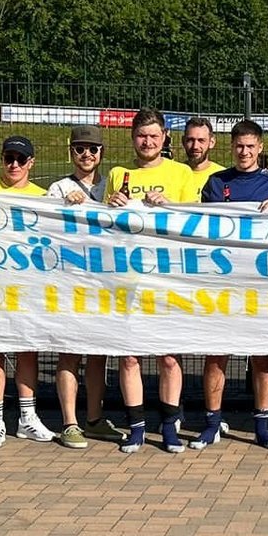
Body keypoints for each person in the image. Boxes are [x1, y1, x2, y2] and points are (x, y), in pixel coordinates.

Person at [104, 108, 199, 452]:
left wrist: (170, 206)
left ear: (164, 139)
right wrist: (111, 207)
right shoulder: (119, 174)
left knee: (168, 356)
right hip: (127, 277)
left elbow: (193, 222)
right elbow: (102, 228)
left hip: (167, 275)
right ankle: (136, 427)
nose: (147, 142)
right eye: (142, 136)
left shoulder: (182, 173)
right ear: (133, 139)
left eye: (154, 136)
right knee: (129, 357)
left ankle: (170, 426)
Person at [199, 120, 268, 450]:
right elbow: (201, 229)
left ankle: (262, 426)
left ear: (260, 148)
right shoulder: (216, 183)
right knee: (216, 356)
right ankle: (211, 423)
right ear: (231, 147)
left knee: (262, 356)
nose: (244, 152)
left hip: (260, 285)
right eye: (239, 146)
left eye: (251, 146)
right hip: (223, 284)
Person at [0, 136, 56, 448]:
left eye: (20, 159)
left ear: (31, 163)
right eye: (8, 158)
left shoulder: (43, 197)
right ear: (1, 159)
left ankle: (27, 418)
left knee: (28, 350)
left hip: (27, 287)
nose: (14, 164)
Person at [45, 124, 111, 449]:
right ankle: (70, 422)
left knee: (99, 354)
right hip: (70, 280)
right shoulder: (58, 189)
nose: (87, 154)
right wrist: (62, 208)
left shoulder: (112, 186)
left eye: (93, 149)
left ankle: (95, 418)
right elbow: (45, 229)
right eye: (80, 149)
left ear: (101, 153)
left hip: (104, 281)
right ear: (71, 151)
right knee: (70, 352)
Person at [180, 116, 224, 199]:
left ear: (211, 142)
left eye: (201, 140)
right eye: (190, 140)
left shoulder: (223, 176)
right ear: (183, 141)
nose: (195, 146)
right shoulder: (174, 173)